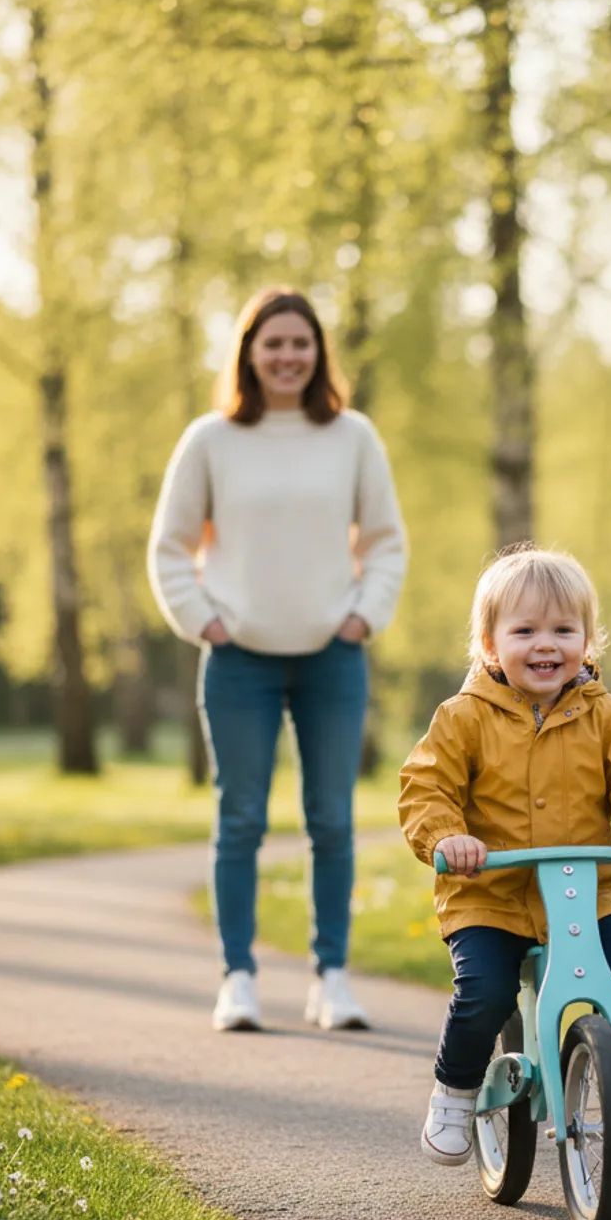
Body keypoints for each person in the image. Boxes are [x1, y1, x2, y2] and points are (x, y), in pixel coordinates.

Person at [148, 286, 407, 1033]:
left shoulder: (352, 436)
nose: (289, 356)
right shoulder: (210, 440)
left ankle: (332, 977)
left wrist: (364, 615)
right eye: (274, 344)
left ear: (318, 353)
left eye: (301, 343)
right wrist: (204, 621)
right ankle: (239, 977)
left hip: (333, 655)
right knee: (241, 820)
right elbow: (170, 547)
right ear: (249, 354)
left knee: (332, 821)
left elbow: (385, 540)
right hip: (240, 662)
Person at [398, 547, 611, 1165]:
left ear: (587, 642)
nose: (545, 645)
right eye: (525, 630)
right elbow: (427, 788)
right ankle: (453, 1094)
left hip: (583, 898)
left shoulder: (607, 717)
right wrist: (448, 837)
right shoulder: (462, 719)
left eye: (564, 630)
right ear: (488, 644)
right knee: (485, 991)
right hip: (489, 897)